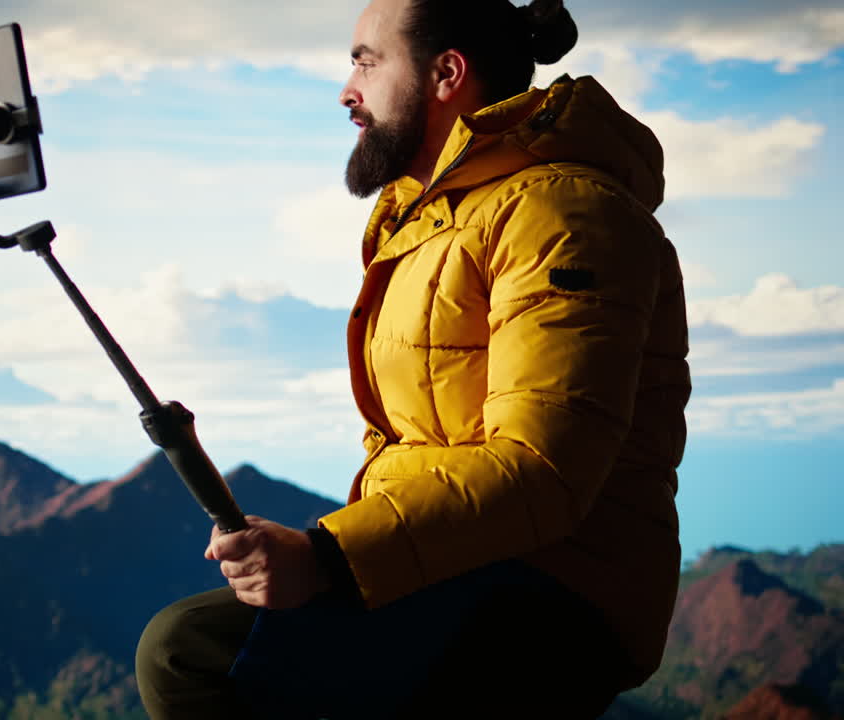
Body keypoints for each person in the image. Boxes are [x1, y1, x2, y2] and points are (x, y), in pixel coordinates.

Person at [136, 0, 690, 716]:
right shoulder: (429, 221)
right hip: (470, 565)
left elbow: (542, 469)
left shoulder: (562, 215)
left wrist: (329, 557)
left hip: (559, 592)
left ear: (446, 75)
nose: (347, 90)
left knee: (186, 651)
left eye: (367, 60)